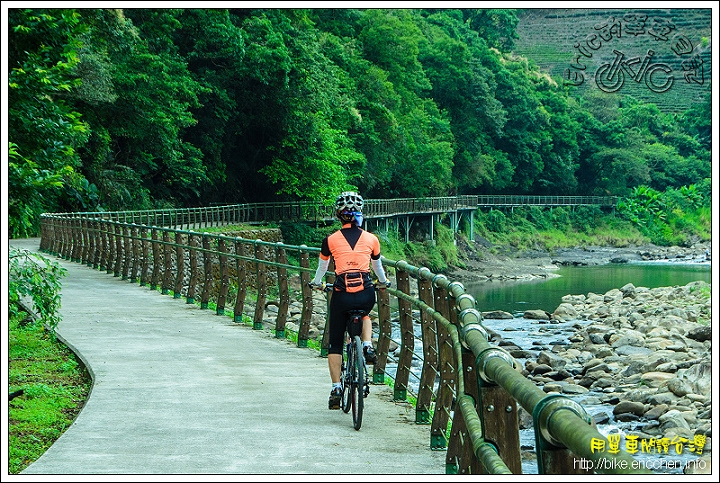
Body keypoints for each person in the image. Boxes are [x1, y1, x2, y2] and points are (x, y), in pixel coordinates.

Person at [309, 191, 391, 410]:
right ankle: (366, 344)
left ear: (339, 215)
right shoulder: (372, 239)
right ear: (359, 214)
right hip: (365, 292)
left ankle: (336, 388)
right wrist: (383, 282)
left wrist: (316, 283)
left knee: (335, 342)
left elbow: (322, 268)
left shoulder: (330, 240)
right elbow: (378, 267)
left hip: (342, 293)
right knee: (365, 315)